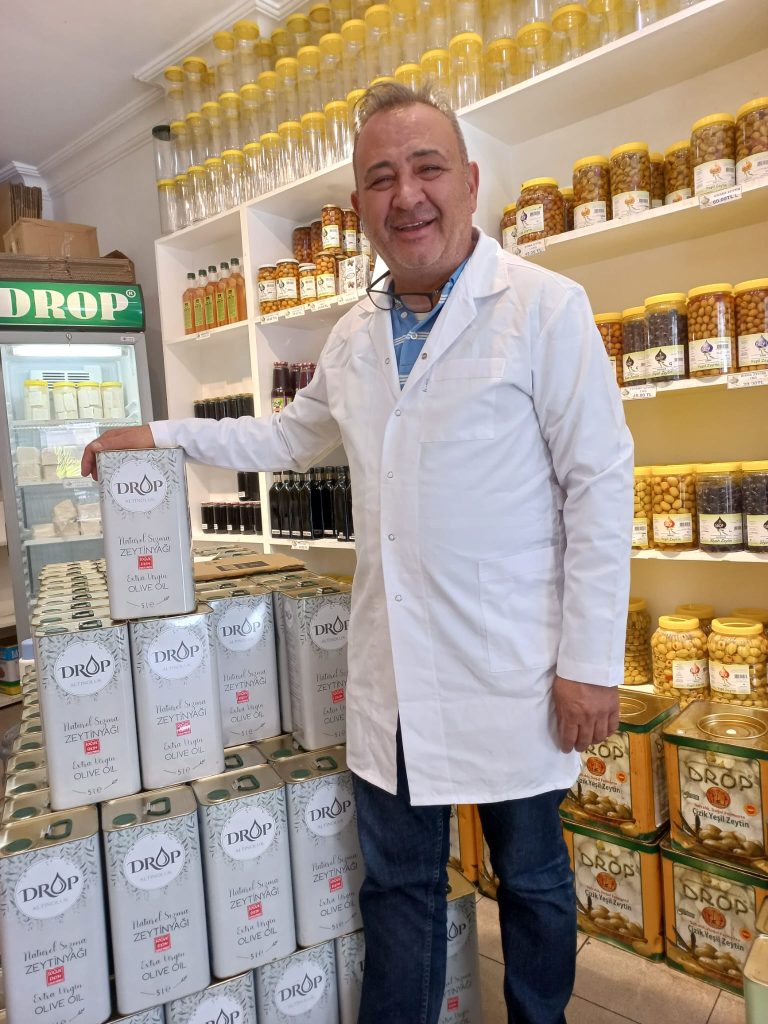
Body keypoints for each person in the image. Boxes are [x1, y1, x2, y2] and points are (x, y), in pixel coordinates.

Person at [82, 83, 633, 1024]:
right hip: (395, 676)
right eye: (381, 178)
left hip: (514, 669)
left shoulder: (543, 307)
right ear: (360, 206)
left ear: (469, 182)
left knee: (533, 877)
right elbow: (281, 440)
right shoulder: (351, 337)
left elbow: (601, 485)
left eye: (427, 169)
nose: (406, 195)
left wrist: (589, 663)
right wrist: (162, 435)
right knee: (400, 888)